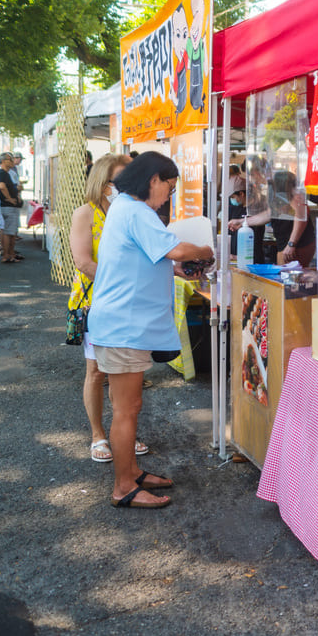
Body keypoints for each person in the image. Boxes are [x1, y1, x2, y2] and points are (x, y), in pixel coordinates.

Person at [87, 152, 214, 508]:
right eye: (169, 188)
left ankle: (132, 472)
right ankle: (123, 486)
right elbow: (175, 249)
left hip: (123, 325)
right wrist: (207, 248)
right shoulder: (135, 211)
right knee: (126, 409)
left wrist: (174, 269)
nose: (168, 198)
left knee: (130, 406)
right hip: (123, 326)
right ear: (154, 179)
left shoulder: (125, 209)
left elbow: (145, 259)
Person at [69, 153, 155, 465]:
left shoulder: (133, 211)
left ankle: (124, 432)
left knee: (126, 371)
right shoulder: (86, 213)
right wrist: (120, 283)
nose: (123, 186)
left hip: (130, 303)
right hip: (96, 302)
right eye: (117, 181)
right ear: (103, 183)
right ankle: (97, 435)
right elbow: (83, 262)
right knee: (96, 370)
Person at [0, 153, 23, 263]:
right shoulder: (2, 173)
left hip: (9, 206)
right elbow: (1, 186)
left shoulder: (5, 173)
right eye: (10, 159)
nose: (12, 162)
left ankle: (10, 254)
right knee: (8, 232)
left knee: (10, 232)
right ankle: (7, 255)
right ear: (4, 161)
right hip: (8, 206)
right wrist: (9, 198)